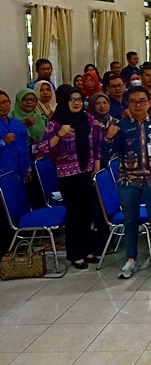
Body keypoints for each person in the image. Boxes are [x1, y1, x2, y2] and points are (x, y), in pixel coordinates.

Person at [105, 86, 151, 278]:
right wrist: (109, 137)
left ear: (149, 103)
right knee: (130, 220)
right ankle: (131, 258)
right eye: (133, 102)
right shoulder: (121, 126)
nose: (138, 105)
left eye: (142, 101)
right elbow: (107, 154)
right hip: (128, 180)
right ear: (127, 104)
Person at [37, 87, 103, 269]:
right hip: (68, 175)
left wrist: (96, 163)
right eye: (72, 100)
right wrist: (59, 135)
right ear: (65, 102)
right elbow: (42, 148)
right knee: (74, 214)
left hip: (86, 171)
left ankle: (87, 249)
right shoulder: (56, 123)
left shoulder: (88, 119)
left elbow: (96, 142)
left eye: (79, 99)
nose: (76, 103)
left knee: (87, 212)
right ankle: (75, 254)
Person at [0, 91, 32, 183]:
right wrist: (3, 142)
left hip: (21, 171)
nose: (3, 106)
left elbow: (25, 146)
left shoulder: (17, 123)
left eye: (5, 102)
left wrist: (28, 168)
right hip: (3, 175)